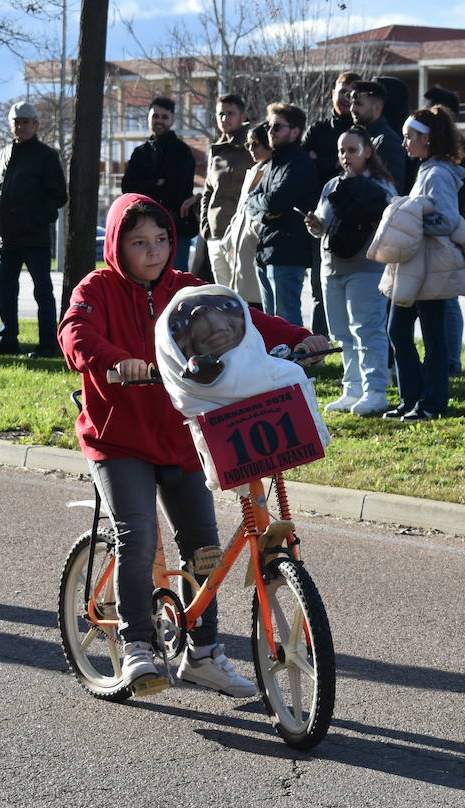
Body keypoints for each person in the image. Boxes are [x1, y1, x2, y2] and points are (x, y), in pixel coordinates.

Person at [58, 193, 329, 697]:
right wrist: (117, 360)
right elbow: (75, 334)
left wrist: (299, 336)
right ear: (118, 244)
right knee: (136, 536)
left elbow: (241, 321)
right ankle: (137, 645)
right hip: (119, 438)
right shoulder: (96, 288)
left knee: (204, 546)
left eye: (161, 240)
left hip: (183, 435)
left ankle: (203, 653)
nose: (153, 251)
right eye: (139, 242)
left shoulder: (187, 290)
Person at [370, 106, 465, 421]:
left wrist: (409, 221)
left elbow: (447, 220)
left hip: (430, 268)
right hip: (415, 267)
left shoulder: (438, 173)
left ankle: (431, 402)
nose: (404, 143)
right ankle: (412, 397)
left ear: (426, 139)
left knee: (431, 336)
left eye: (409, 137)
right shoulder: (428, 169)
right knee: (399, 330)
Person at [305, 127, 396, 417]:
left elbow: (389, 225)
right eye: (341, 151)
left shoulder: (380, 185)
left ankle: (375, 390)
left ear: (368, 151)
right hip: (332, 267)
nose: (346, 156)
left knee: (367, 328)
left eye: (352, 150)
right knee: (342, 332)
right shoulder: (332, 184)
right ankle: (353, 388)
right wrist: (315, 226)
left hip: (367, 268)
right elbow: (323, 222)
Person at [0, 101, 67, 359]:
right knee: (4, 290)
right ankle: (8, 339)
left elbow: (59, 195)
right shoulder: (2, 155)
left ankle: (47, 344)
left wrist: (36, 219)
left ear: (36, 124)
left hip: (34, 237)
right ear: (10, 125)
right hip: (4, 237)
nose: (20, 126)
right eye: (16, 122)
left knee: (42, 290)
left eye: (25, 121)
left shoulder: (46, 156)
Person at [422, 86, 465, 374]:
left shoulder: (463, 149)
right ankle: (440, 359)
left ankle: (452, 359)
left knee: (449, 299)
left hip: (450, 227)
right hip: (431, 231)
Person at [247, 102, 318, 327]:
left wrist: (266, 208)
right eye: (269, 126)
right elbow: (252, 201)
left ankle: (297, 363)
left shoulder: (300, 163)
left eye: (277, 127)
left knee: (287, 321)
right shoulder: (271, 164)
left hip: (288, 253)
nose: (270, 131)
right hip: (265, 250)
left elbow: (274, 202)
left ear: (295, 132)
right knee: (270, 323)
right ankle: (277, 363)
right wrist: (266, 213)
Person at [303, 72, 361, 334]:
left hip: (354, 218)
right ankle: (320, 343)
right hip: (322, 217)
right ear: (332, 94)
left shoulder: (362, 132)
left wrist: (323, 162)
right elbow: (307, 166)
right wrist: (330, 165)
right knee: (320, 285)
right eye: (342, 91)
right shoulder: (318, 130)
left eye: (352, 93)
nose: (347, 98)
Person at [121, 96, 198, 271]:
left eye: (164, 117)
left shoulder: (181, 152)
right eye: (155, 116)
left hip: (176, 227)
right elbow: (127, 188)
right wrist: (157, 182)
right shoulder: (140, 152)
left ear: (172, 120)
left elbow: (174, 190)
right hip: (142, 228)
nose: (159, 121)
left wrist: (145, 186)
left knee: (175, 279)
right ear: (148, 117)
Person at [199, 94, 253, 286]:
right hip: (215, 234)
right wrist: (206, 226)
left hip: (242, 237)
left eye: (230, 113)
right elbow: (207, 191)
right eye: (221, 114)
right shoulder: (216, 151)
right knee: (223, 299)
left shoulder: (253, 146)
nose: (225, 119)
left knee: (245, 301)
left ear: (243, 116)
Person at [222, 123, 271, 309]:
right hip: (239, 253)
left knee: (261, 310)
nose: (251, 149)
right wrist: (229, 237)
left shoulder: (272, 171)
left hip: (256, 252)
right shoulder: (252, 171)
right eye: (248, 145)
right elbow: (241, 211)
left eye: (256, 143)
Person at [349, 80, 407, 187]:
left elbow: (392, 186)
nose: (352, 109)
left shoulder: (388, 141)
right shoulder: (359, 136)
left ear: (377, 107)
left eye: (358, 104)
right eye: (351, 103)